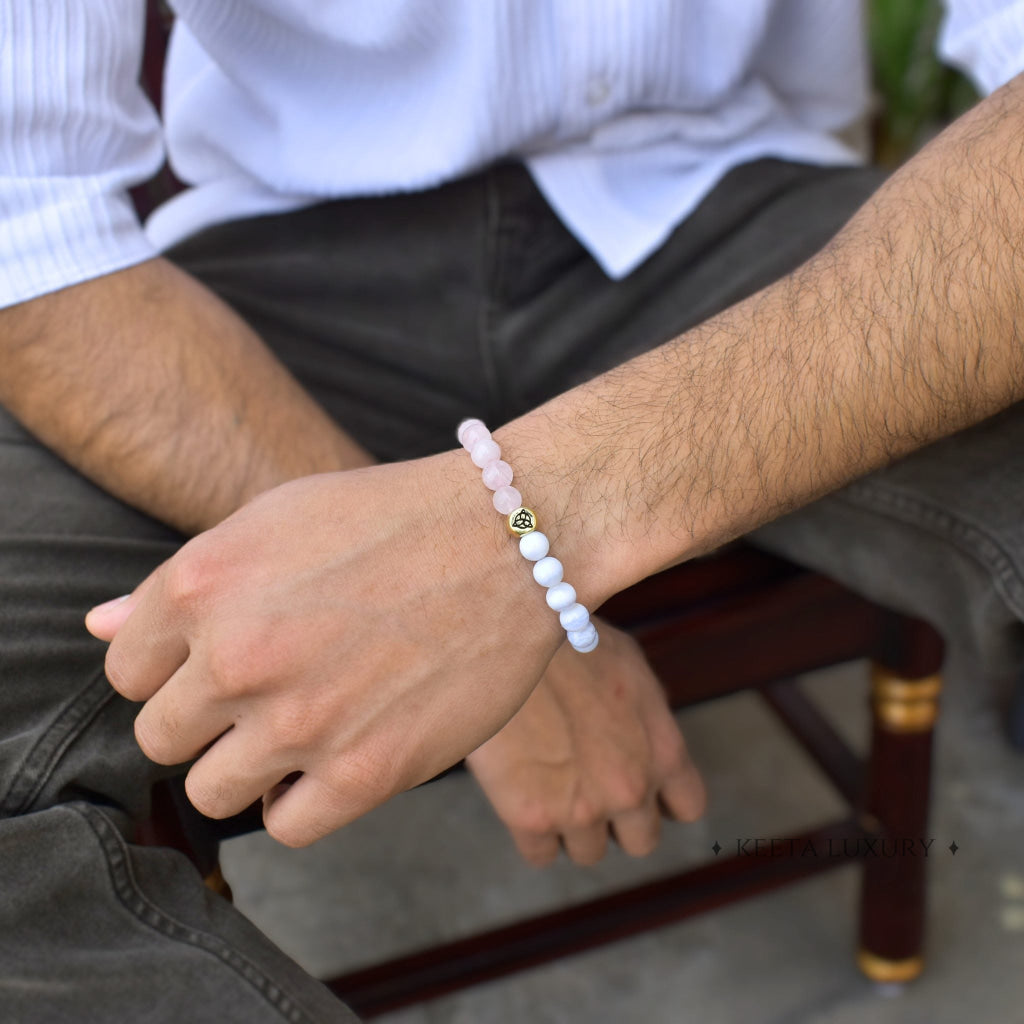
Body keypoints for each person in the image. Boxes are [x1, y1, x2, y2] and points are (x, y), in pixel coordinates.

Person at [3, 1, 1024, 1020]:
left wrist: (518, 546)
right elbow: (27, 217)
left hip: (741, 219)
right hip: (266, 273)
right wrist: (451, 593)